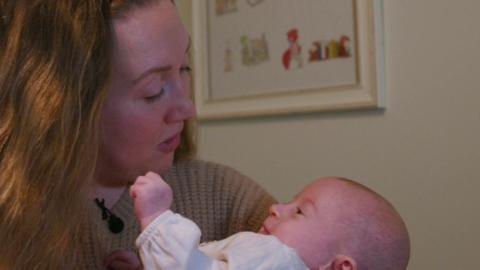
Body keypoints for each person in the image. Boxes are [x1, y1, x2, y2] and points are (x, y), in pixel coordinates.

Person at [0, 1, 275, 269]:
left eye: (185, 69)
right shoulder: (15, 223)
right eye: (154, 90)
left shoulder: (227, 199)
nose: (187, 108)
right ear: (68, 106)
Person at [118, 174, 410, 270]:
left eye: (299, 212)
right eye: (290, 201)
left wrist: (157, 220)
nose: (275, 207)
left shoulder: (276, 257)